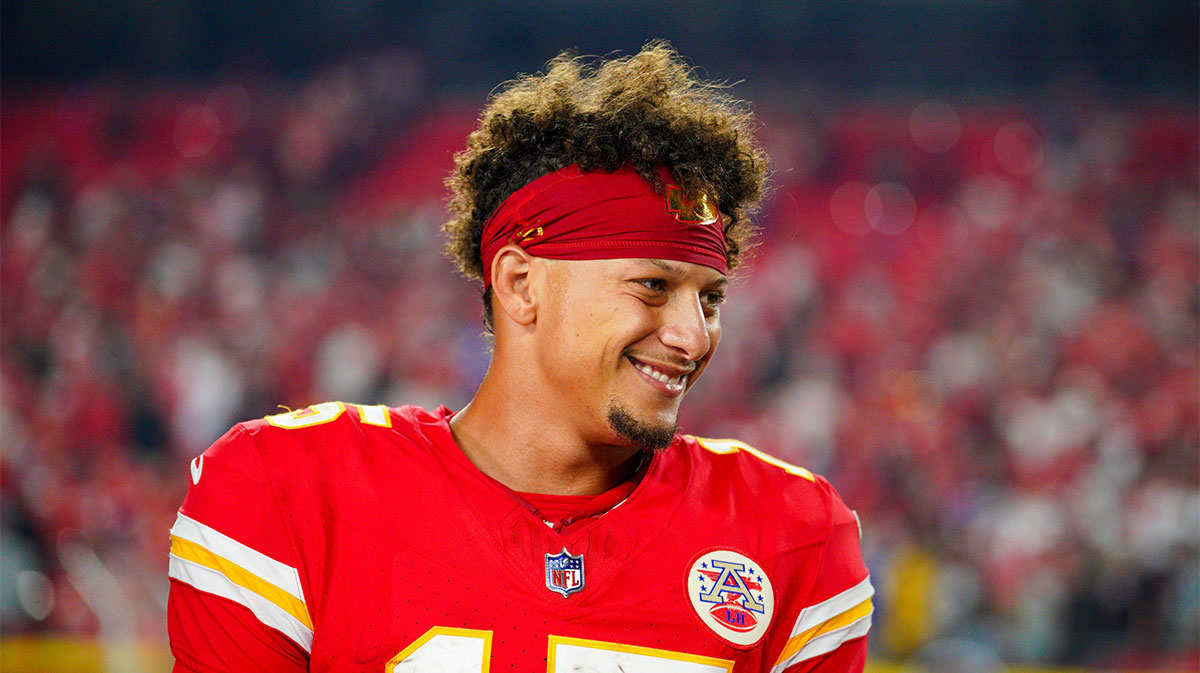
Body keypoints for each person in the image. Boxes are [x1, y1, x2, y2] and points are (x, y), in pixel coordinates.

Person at [167, 42, 873, 672]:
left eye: (710, 299)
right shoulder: (288, 492)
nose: (693, 336)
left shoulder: (792, 536)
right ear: (519, 283)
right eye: (653, 287)